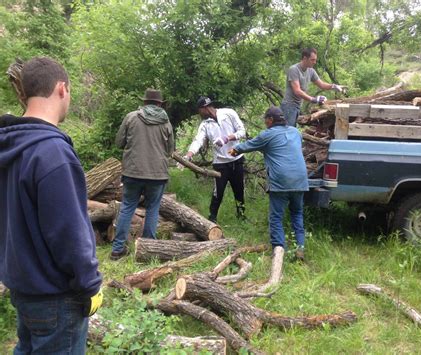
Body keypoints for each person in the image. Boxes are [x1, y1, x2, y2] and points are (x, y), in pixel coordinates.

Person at [0, 57, 103, 354]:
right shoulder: (53, 153)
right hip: (56, 298)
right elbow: (69, 233)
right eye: (69, 91)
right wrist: (90, 284)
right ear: (61, 89)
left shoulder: (11, 146)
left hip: (23, 286)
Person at [230, 106, 309, 260]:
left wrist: (234, 150)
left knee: (276, 218)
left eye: (266, 119)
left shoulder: (267, 134)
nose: (265, 122)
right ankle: (300, 248)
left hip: (281, 181)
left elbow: (247, 146)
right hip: (300, 179)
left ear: (271, 120)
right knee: (297, 214)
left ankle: (279, 252)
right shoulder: (295, 132)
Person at [111, 88, 175, 260]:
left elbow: (119, 142)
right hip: (158, 174)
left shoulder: (131, 117)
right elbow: (170, 150)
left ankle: (117, 249)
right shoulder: (165, 122)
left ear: (145, 102)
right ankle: (148, 250)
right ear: (160, 104)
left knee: (127, 207)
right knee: (153, 209)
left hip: (132, 172)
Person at [183, 96, 246, 223]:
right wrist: (189, 155)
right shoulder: (205, 124)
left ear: (205, 108)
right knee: (218, 193)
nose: (199, 113)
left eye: (199, 110)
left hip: (236, 159)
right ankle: (212, 218)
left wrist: (227, 138)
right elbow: (198, 140)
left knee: (239, 190)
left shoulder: (229, 113)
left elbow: (242, 131)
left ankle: (241, 216)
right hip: (220, 164)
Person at [280, 47, 347, 126]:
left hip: (297, 106)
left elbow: (321, 85)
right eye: (312, 60)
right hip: (289, 106)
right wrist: (313, 99)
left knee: (291, 131)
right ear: (305, 58)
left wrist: (334, 86)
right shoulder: (294, 70)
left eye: (315, 60)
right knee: (288, 133)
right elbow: (297, 90)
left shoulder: (311, 71)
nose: (314, 62)